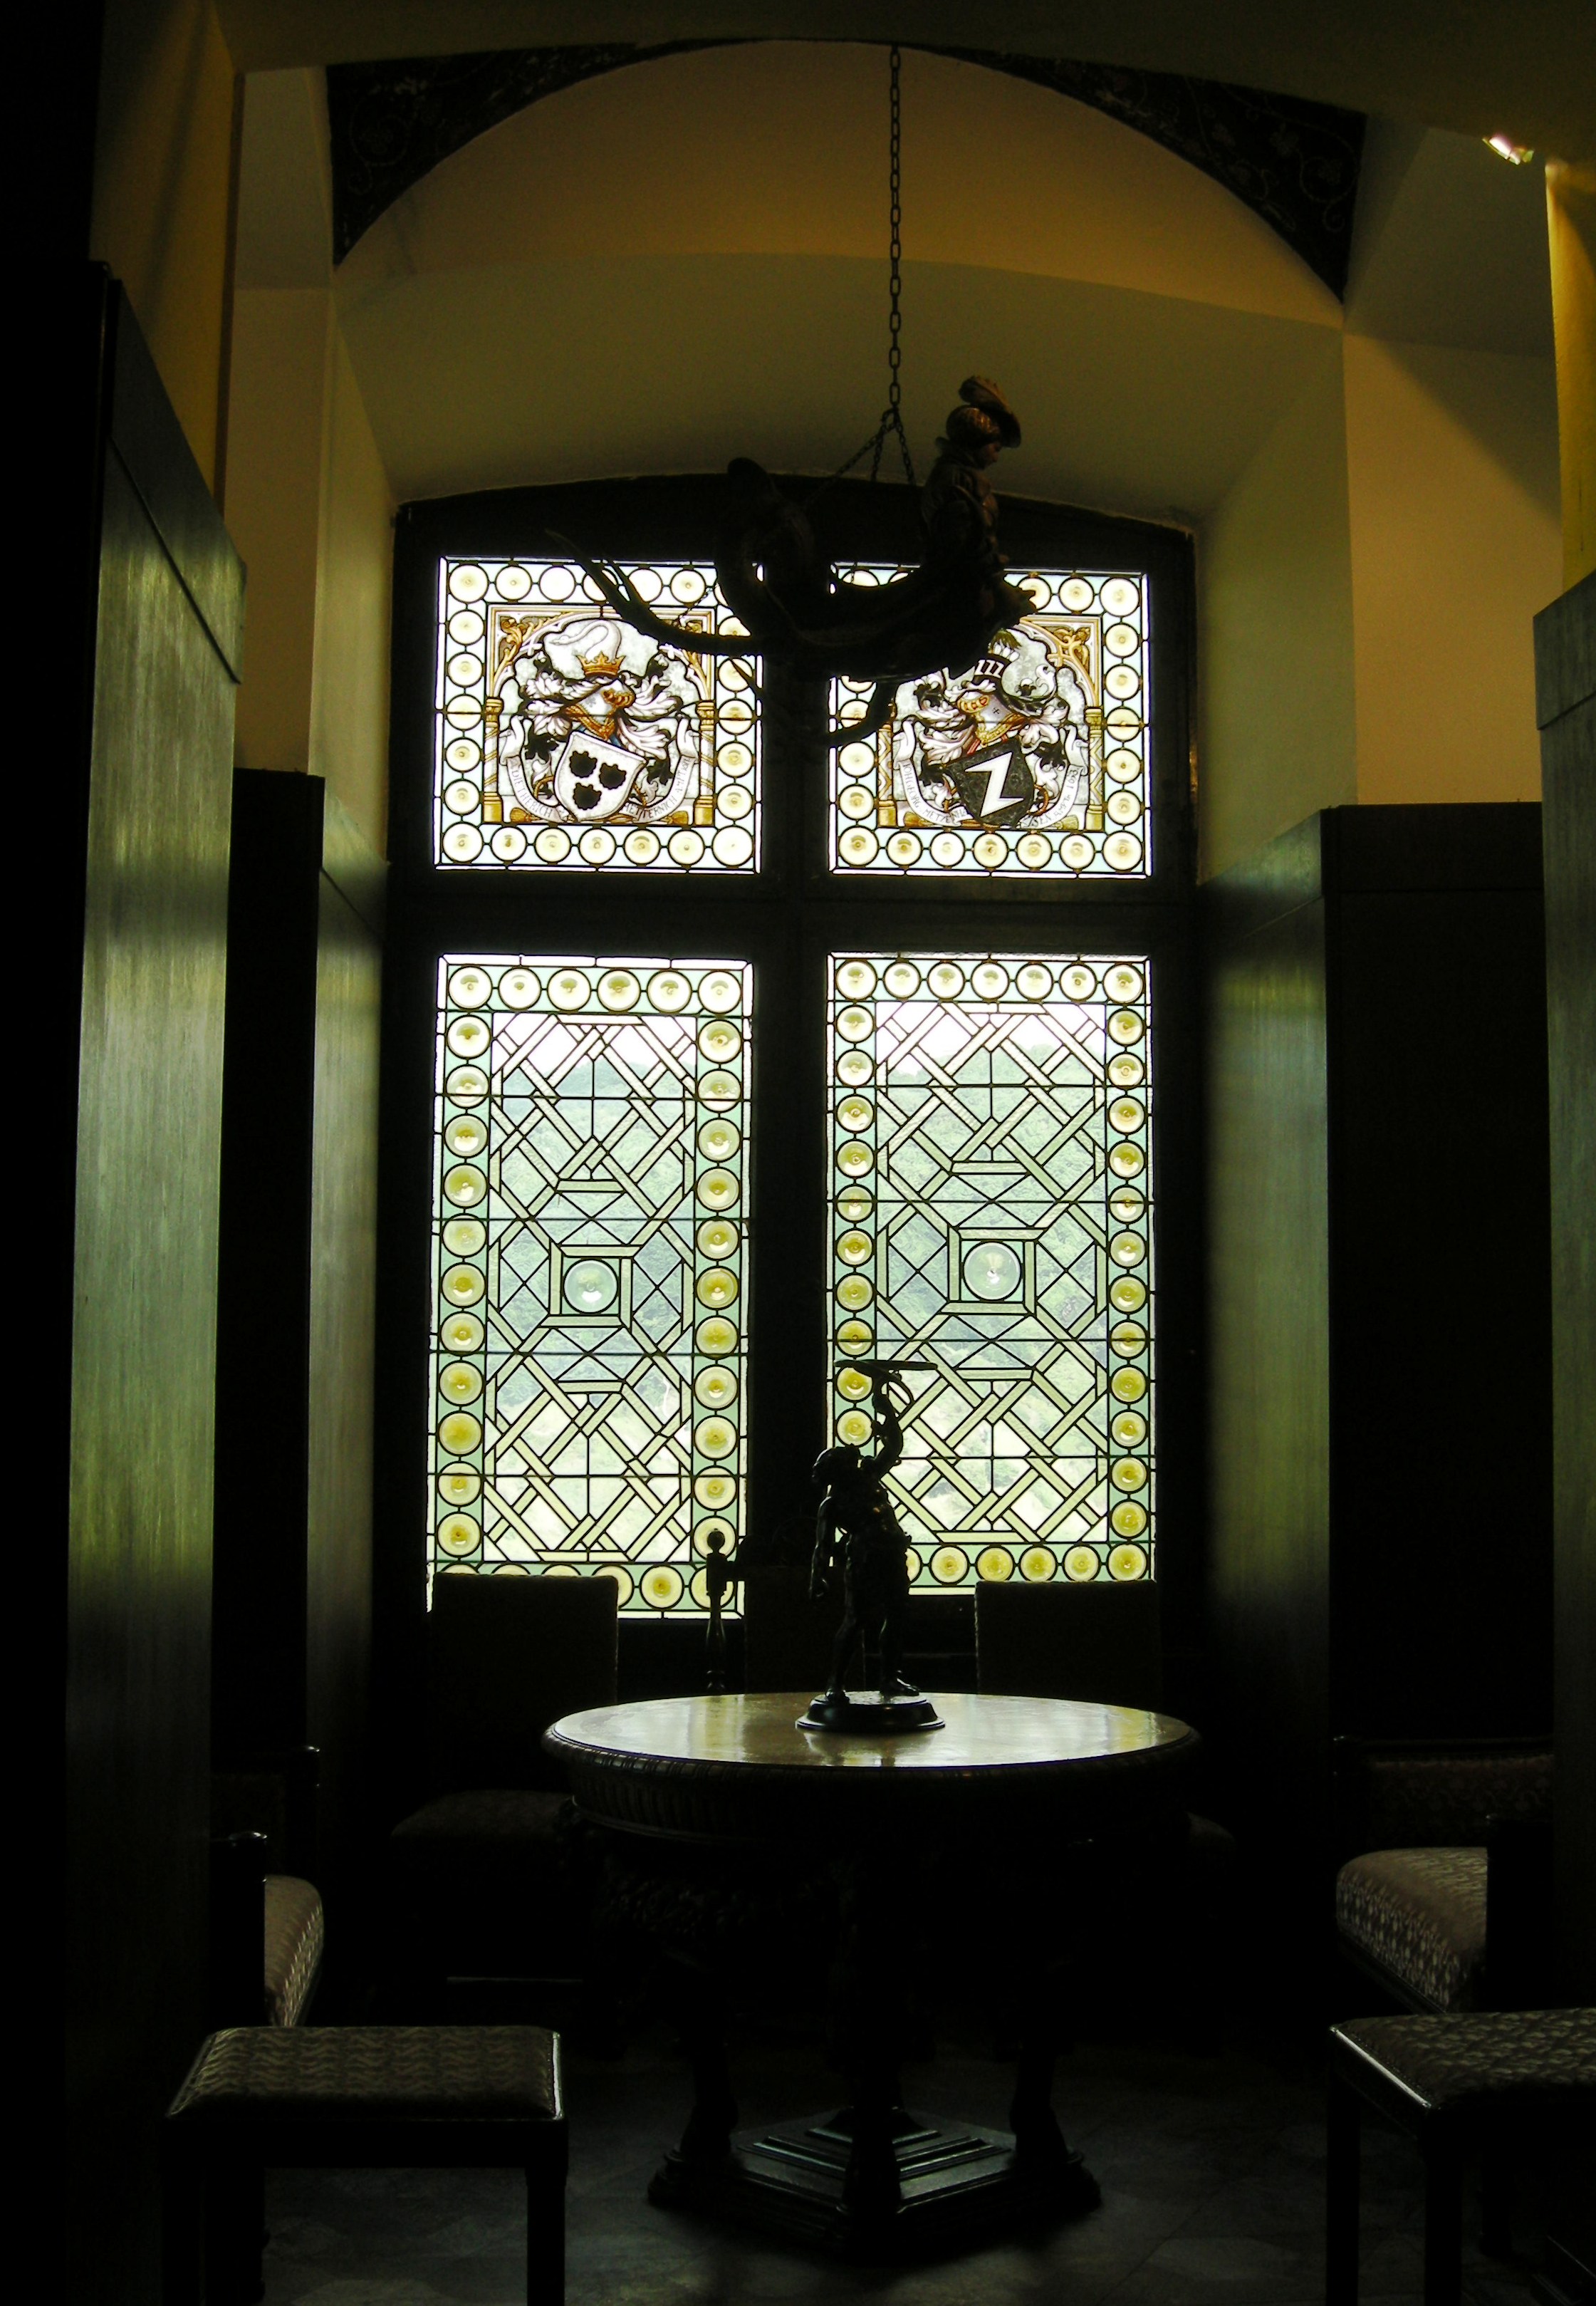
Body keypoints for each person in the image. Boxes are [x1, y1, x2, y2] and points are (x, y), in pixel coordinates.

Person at [810, 1378, 921, 1703]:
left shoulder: (869, 1476)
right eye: (846, 1461)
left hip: (893, 1555)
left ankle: (889, 1677)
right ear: (836, 1471)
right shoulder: (833, 1504)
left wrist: (888, 1413)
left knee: (897, 1615)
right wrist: (817, 1577)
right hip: (864, 1561)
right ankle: (835, 1683)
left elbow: (893, 1447)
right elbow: (822, 1546)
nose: (855, 1460)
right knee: (855, 1620)